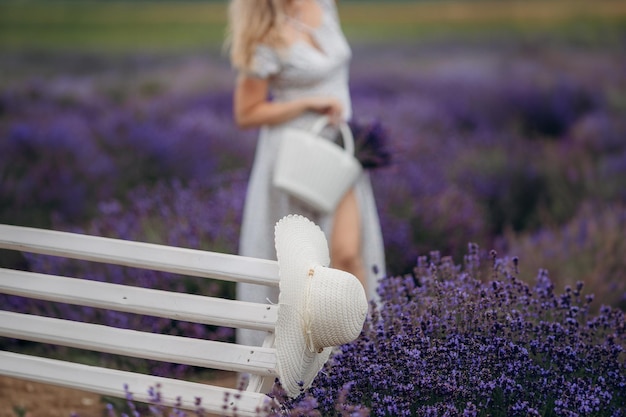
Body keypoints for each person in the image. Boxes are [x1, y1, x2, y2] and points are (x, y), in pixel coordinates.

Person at [225, 0, 385, 347]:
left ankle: (362, 358)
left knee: (347, 254)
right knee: (303, 272)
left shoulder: (323, 6)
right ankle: (300, 363)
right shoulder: (263, 31)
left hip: (338, 153)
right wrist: (306, 103)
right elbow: (246, 113)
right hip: (294, 161)